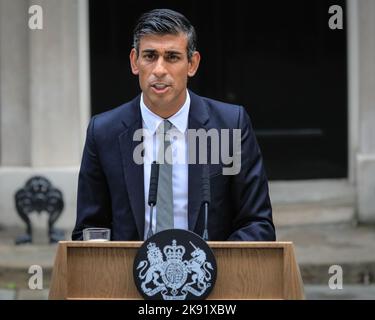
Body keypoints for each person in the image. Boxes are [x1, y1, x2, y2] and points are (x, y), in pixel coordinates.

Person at [72, 8, 275, 241]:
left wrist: (212, 269)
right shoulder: (104, 131)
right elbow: (88, 231)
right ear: (134, 61)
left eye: (172, 57)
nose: (159, 70)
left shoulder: (230, 126)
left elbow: (257, 224)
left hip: (211, 274)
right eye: (149, 56)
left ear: (192, 64)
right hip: (128, 275)